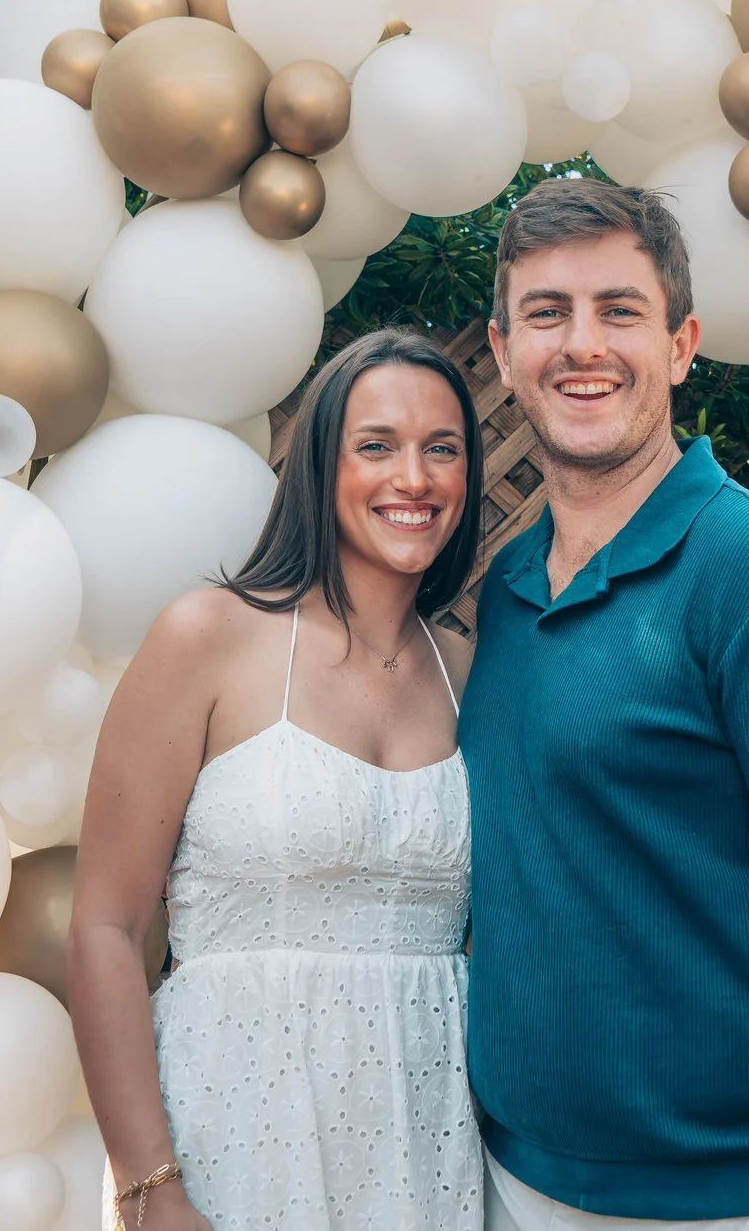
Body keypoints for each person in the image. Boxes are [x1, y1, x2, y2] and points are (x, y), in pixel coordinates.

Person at [461, 177, 749, 1231]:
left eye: (619, 309)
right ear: (501, 348)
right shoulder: (511, 583)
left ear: (679, 342)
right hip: (514, 1179)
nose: (582, 344)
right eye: (547, 312)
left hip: (729, 1203)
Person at [68, 328, 487, 1231]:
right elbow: (106, 926)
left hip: (431, 1140)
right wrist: (149, 1188)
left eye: (441, 449)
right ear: (320, 470)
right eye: (376, 445)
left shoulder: (472, 670)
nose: (412, 478)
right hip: (232, 1136)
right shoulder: (206, 637)